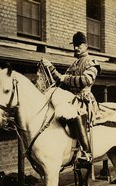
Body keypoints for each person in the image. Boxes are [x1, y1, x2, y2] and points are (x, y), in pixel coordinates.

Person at [41, 31, 101, 164]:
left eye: (79, 45)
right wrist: (50, 67)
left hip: (83, 99)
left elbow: (86, 80)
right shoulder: (74, 64)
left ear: (86, 45)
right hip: (70, 98)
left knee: (76, 113)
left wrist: (66, 78)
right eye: (74, 45)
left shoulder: (92, 62)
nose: (75, 48)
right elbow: (61, 81)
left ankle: (86, 151)